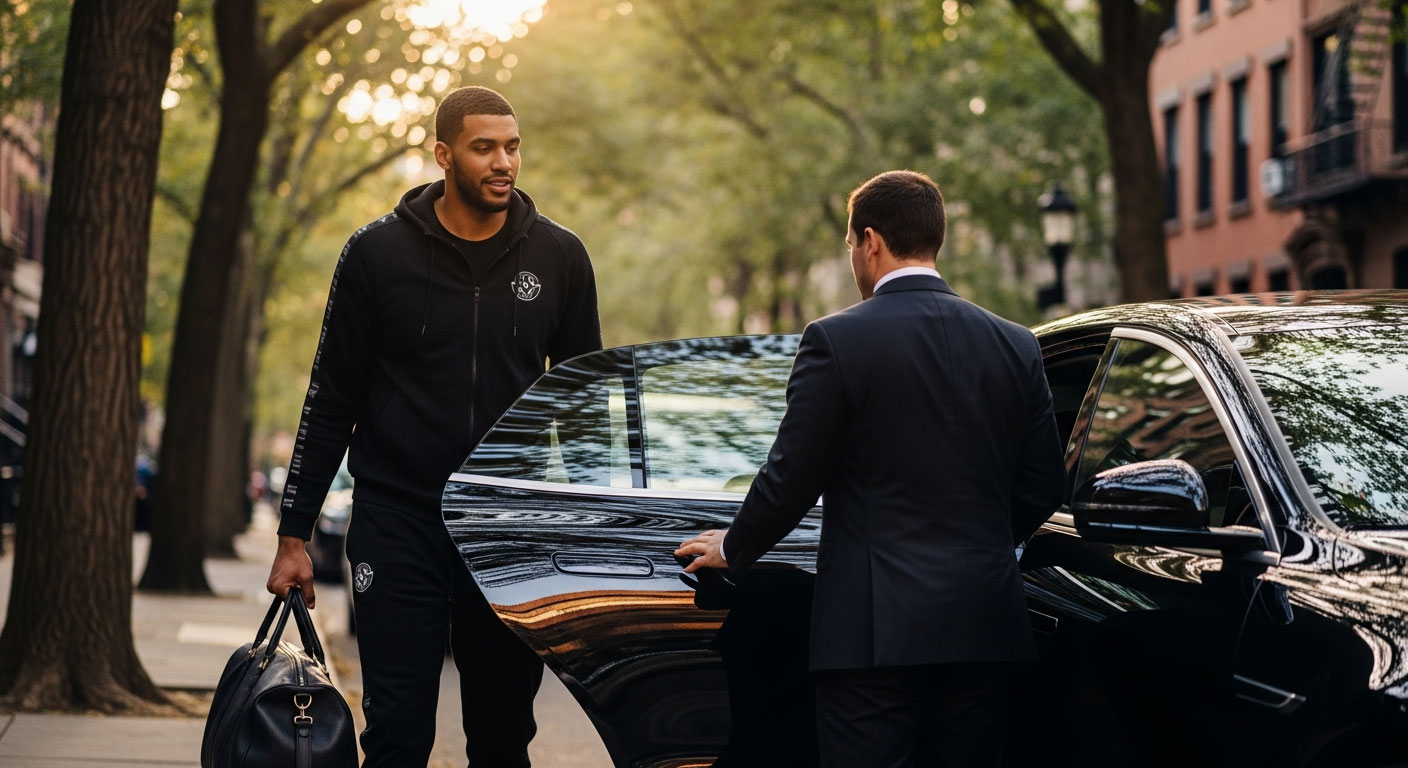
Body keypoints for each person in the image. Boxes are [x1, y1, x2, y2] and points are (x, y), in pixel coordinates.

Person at [676, 170, 1065, 767]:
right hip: (983, 622)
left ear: (871, 241)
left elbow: (792, 476)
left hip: (871, 635)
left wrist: (735, 546)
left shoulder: (836, 340)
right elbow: (1043, 486)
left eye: (851, 246)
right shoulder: (1015, 343)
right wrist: (981, 544)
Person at [266, 86, 602, 767]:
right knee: (397, 734)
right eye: (484, 148)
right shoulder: (375, 254)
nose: (503, 162)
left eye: (512, 147)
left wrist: (596, 535)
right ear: (444, 154)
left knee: (503, 738)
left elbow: (584, 407)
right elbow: (331, 399)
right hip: (398, 520)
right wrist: (292, 534)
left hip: (506, 528)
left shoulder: (561, 258)